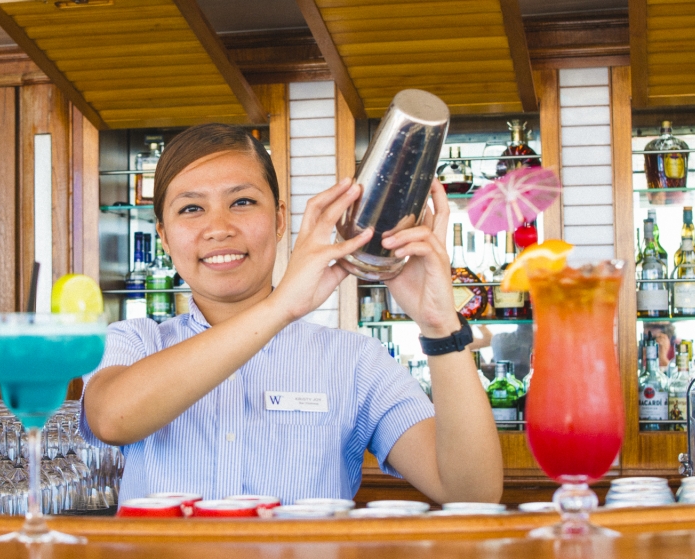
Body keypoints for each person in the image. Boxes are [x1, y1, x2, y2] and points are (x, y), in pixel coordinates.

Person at [80, 124, 502, 505]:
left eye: (242, 201)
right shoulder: (134, 341)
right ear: (164, 237)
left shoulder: (355, 362)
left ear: (280, 219)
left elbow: (471, 490)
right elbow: (112, 419)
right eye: (191, 209)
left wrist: (439, 324)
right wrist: (281, 307)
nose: (219, 227)